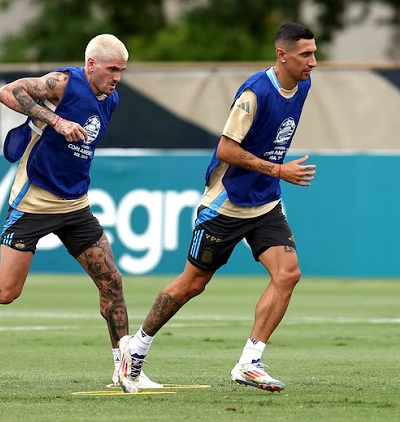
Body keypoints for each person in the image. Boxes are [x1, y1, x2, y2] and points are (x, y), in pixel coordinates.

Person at [0, 34, 159, 388]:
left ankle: (124, 370)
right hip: (33, 202)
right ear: (91, 65)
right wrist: (55, 121)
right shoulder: (64, 83)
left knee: (111, 281)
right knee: (6, 292)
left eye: (122, 71)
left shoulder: (111, 99)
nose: (117, 78)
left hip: (75, 205)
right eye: (112, 69)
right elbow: (6, 92)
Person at [117, 22, 318, 393]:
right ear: (282, 55)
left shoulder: (303, 85)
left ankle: (249, 363)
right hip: (226, 204)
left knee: (288, 274)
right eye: (306, 54)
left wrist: (273, 177)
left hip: (265, 203)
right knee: (193, 283)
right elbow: (226, 149)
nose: (313, 62)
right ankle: (136, 349)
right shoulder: (254, 93)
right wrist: (278, 170)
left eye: (314, 52)